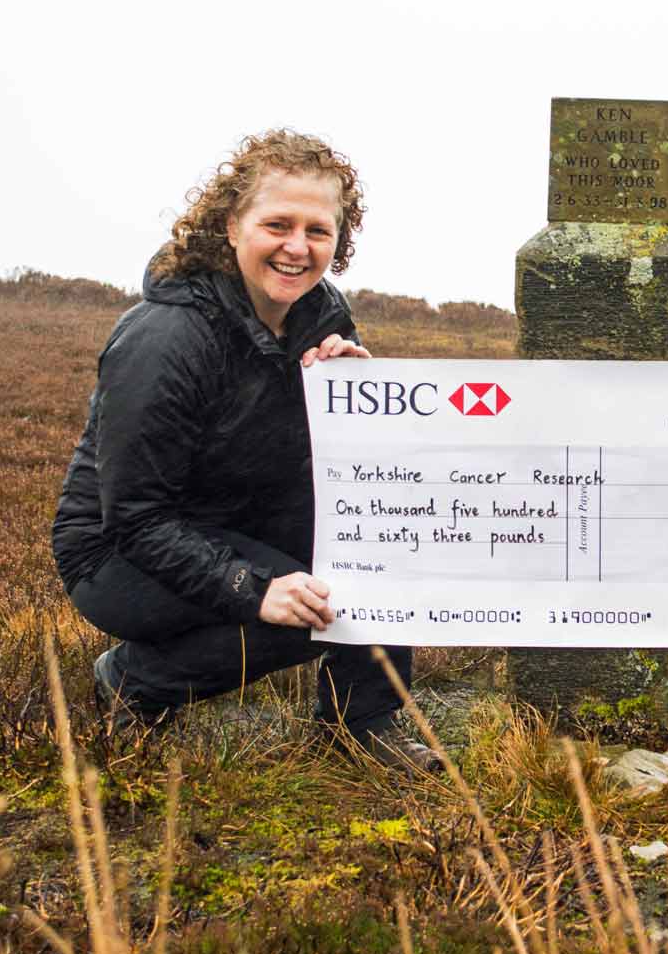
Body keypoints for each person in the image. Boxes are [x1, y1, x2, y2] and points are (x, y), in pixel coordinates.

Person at [52, 129, 437, 770]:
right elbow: (137, 516)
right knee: (308, 609)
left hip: (238, 518)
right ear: (232, 226)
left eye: (318, 230)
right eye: (277, 224)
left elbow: (348, 479)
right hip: (118, 550)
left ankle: (362, 723)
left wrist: (354, 396)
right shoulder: (166, 336)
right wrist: (252, 587)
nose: (297, 247)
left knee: (381, 546)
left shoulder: (324, 319)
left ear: (340, 240)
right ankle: (132, 684)